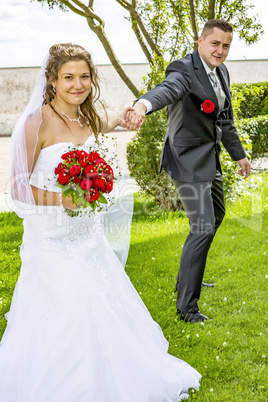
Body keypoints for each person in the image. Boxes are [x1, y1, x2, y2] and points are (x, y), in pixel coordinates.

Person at [0, 43, 201, 401]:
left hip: (88, 239)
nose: (78, 85)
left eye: (84, 76)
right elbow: (17, 188)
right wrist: (62, 198)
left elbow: (118, 117)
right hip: (52, 242)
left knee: (104, 308)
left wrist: (135, 110)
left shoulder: (89, 118)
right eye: (68, 78)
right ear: (51, 80)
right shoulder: (36, 122)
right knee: (68, 312)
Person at [129, 19, 251, 324]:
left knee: (216, 216)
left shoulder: (221, 72)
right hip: (186, 160)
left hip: (210, 159)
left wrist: (240, 157)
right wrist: (142, 105)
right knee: (203, 227)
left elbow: (224, 121)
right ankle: (187, 307)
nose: (220, 50)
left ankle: (188, 278)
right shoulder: (183, 69)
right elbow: (166, 91)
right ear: (200, 41)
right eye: (215, 44)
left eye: (226, 46)